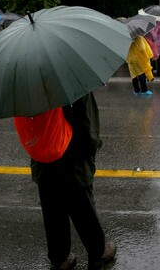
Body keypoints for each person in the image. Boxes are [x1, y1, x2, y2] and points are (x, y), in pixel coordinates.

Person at [30, 92, 116, 270]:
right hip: (72, 156)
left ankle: (59, 258)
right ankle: (98, 251)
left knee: (52, 208)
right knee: (83, 207)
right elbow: (87, 125)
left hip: (42, 157)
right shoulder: (71, 81)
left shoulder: (27, 83)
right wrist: (90, 154)